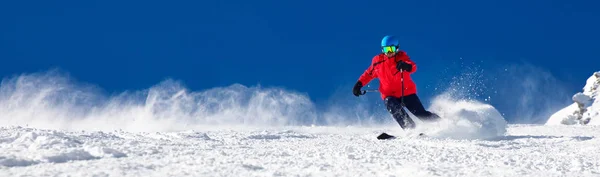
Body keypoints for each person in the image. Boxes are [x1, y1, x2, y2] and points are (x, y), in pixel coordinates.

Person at [353, 35, 440, 129]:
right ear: (383, 50)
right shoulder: (377, 62)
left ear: (397, 48)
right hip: (389, 95)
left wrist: (406, 66)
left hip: (406, 93)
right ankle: (410, 128)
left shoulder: (402, 58)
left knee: (421, 114)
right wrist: (359, 84)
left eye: (392, 48)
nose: (389, 52)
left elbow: (412, 66)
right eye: (386, 49)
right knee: (391, 104)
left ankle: (441, 124)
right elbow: (368, 74)